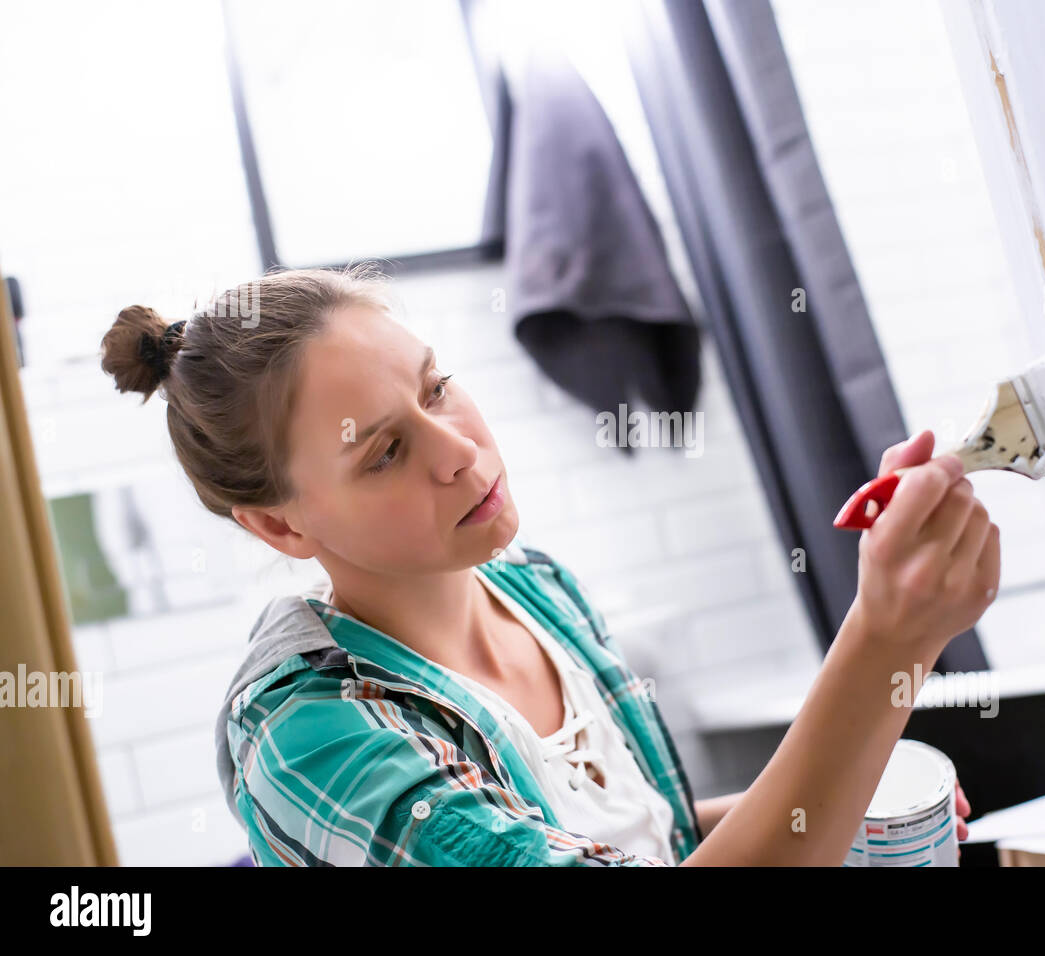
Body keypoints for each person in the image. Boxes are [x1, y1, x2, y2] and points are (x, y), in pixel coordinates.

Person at [100, 264, 993, 866]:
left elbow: (643, 838)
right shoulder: (312, 740)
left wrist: (847, 806)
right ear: (279, 527)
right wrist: (887, 646)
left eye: (436, 387)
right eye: (382, 452)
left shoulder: (536, 589)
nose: (456, 449)